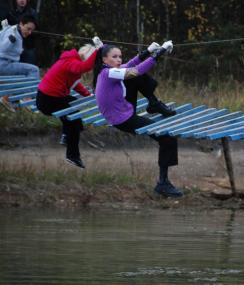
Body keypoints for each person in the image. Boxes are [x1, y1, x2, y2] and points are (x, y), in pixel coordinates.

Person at [93, 41, 182, 198]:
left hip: (124, 111)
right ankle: (163, 183)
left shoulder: (108, 70)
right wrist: (160, 52)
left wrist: (147, 51)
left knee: (134, 77)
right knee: (167, 136)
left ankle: (153, 103)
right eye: (114, 57)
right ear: (104, 60)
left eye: (120, 56)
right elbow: (135, 71)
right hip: (123, 119)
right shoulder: (109, 73)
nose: (119, 60)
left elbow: (130, 65)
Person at [36, 37, 103, 169]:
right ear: (86, 57)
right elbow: (85, 67)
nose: (92, 67)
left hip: (53, 98)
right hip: (47, 101)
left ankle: (67, 135)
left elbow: (75, 84)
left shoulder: (71, 62)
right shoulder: (71, 62)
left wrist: (88, 95)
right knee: (73, 120)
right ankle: (72, 155)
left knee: (74, 110)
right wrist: (99, 49)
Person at [0, 15, 39, 112]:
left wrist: (5, 27)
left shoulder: (13, 29)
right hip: (3, 64)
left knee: (23, 74)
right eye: (28, 29)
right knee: (34, 70)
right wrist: (10, 40)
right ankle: (27, 98)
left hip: (6, 63)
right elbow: (3, 48)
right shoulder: (13, 34)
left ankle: (8, 98)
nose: (29, 32)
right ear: (21, 24)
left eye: (31, 30)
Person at [6, 0, 38, 64]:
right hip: (13, 47)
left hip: (28, 47)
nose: (22, 0)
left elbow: (35, 30)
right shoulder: (10, 12)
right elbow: (6, 28)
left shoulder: (32, 13)